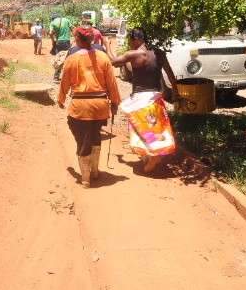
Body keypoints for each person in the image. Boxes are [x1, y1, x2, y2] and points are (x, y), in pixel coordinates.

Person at [104, 28, 180, 172]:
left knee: (141, 128)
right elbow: (171, 75)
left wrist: (107, 44)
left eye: (130, 41)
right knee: (156, 127)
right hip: (156, 97)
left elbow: (113, 61)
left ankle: (153, 156)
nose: (130, 44)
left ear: (135, 40)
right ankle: (152, 155)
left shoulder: (134, 54)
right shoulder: (159, 54)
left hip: (140, 98)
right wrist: (176, 94)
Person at [58, 27, 121, 188]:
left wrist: (61, 98)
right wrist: (114, 102)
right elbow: (112, 83)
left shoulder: (71, 59)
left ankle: (85, 178)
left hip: (80, 107)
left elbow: (64, 81)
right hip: (100, 106)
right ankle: (95, 171)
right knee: (94, 135)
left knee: (82, 140)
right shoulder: (103, 57)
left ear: (78, 40)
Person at [50, 13, 72, 81]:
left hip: (59, 42)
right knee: (67, 58)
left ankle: (56, 77)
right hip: (67, 42)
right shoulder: (66, 20)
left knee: (58, 59)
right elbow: (73, 29)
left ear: (53, 18)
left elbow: (51, 33)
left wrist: (53, 41)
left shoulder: (53, 22)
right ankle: (68, 76)